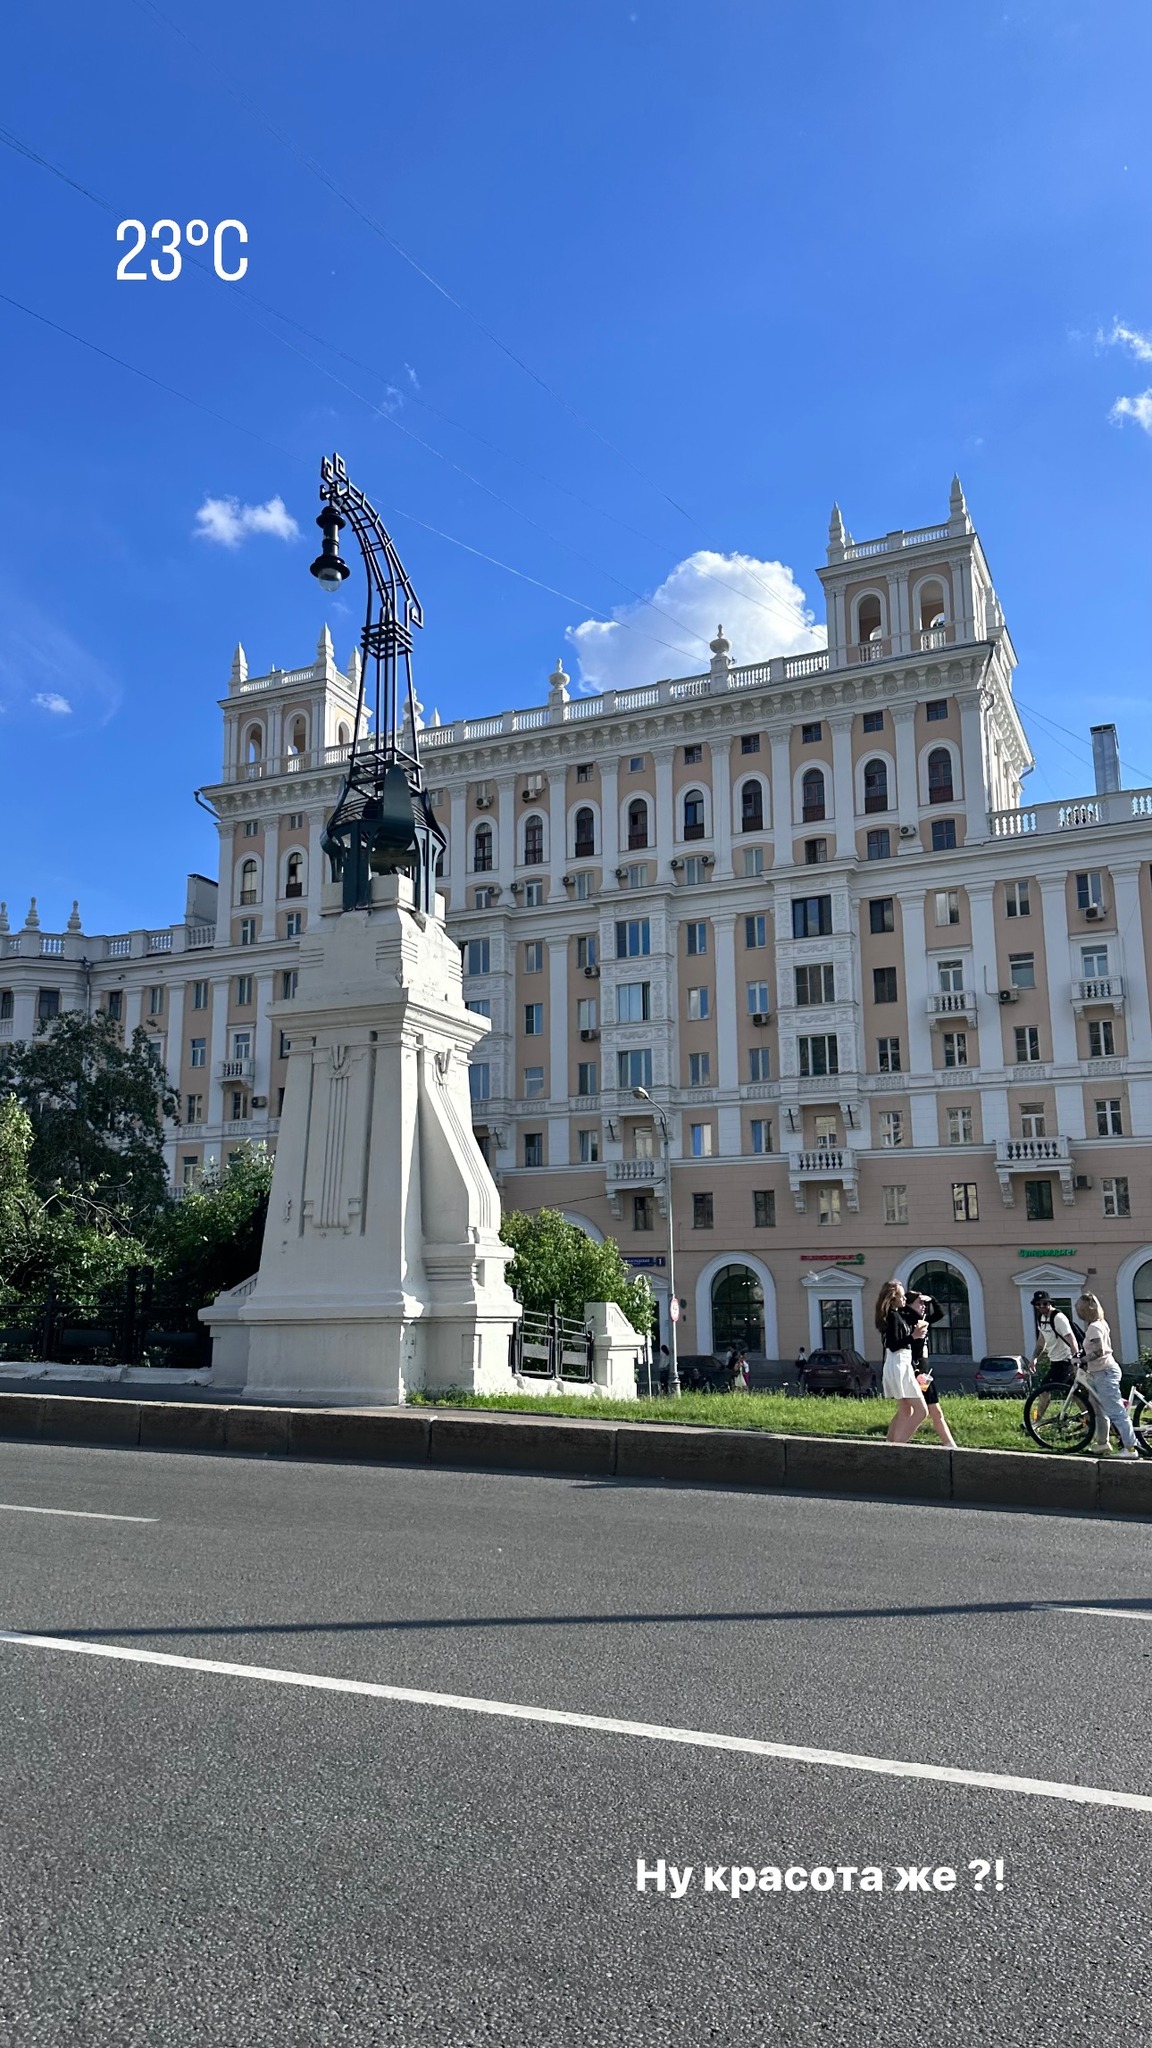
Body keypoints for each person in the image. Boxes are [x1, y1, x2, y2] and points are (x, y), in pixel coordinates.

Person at [1075, 1291, 1138, 1457]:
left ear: (1084, 1310)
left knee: (1115, 1410)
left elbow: (1099, 1352)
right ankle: (1102, 1443)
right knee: (1098, 1409)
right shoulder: (1100, 1323)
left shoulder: (1094, 1328)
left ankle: (1130, 1448)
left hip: (1104, 1372)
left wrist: (1080, 1360)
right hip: (1099, 1372)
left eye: (1079, 1309)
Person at [875, 1280, 931, 1443]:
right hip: (899, 1364)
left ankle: (889, 1445)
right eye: (902, 1296)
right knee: (921, 1411)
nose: (905, 1299)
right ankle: (898, 1446)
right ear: (893, 1299)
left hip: (898, 1363)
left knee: (905, 1411)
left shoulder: (895, 1315)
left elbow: (915, 1315)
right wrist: (913, 1336)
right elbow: (893, 1345)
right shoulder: (893, 1317)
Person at [905, 1290, 957, 1448]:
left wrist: (932, 1298)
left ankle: (951, 1447)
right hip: (917, 1372)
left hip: (924, 1373)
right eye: (920, 1303)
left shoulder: (922, 1319)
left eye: (924, 1304)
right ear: (909, 1304)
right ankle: (895, 1444)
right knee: (915, 1412)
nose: (923, 1307)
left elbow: (940, 1314)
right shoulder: (906, 1320)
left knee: (932, 1411)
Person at [1029, 1291, 1080, 1421]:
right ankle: (1090, 1419)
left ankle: (1035, 1422)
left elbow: (1072, 1339)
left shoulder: (1058, 1318)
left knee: (1044, 1390)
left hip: (1065, 1360)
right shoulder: (1041, 1318)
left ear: (1050, 1303)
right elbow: (1041, 1342)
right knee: (1073, 1393)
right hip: (1055, 1360)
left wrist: (1075, 1360)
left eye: (1044, 1303)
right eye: (1038, 1304)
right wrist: (1034, 1358)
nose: (1041, 1306)